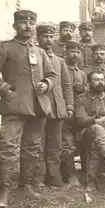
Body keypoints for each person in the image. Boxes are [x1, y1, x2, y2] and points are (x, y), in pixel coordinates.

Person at [0, 10, 57, 208]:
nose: (28, 27)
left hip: (38, 107)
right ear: (15, 26)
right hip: (13, 106)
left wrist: (46, 84)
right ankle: (4, 189)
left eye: (31, 24)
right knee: (7, 147)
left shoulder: (40, 52)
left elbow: (52, 74)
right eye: (23, 23)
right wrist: (5, 90)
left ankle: (26, 185)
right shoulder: (4, 48)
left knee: (32, 148)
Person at [32, 24, 74, 188]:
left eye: (51, 37)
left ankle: (54, 177)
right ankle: (38, 178)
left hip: (57, 107)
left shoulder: (60, 61)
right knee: (38, 144)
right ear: (38, 38)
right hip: (39, 106)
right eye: (45, 37)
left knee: (55, 145)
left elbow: (66, 84)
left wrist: (69, 105)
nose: (48, 40)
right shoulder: (33, 57)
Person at [76, 71, 105, 189]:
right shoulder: (82, 99)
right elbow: (81, 120)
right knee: (97, 128)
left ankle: (91, 179)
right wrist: (95, 121)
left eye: (102, 79)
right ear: (89, 82)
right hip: (86, 133)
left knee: (97, 141)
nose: (100, 82)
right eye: (96, 80)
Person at [60, 40, 88, 186]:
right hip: (63, 112)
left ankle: (86, 173)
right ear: (66, 52)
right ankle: (69, 175)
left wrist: (82, 90)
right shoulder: (60, 68)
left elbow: (85, 93)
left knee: (82, 142)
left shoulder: (82, 74)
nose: (75, 55)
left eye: (78, 52)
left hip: (79, 113)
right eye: (72, 51)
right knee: (67, 143)